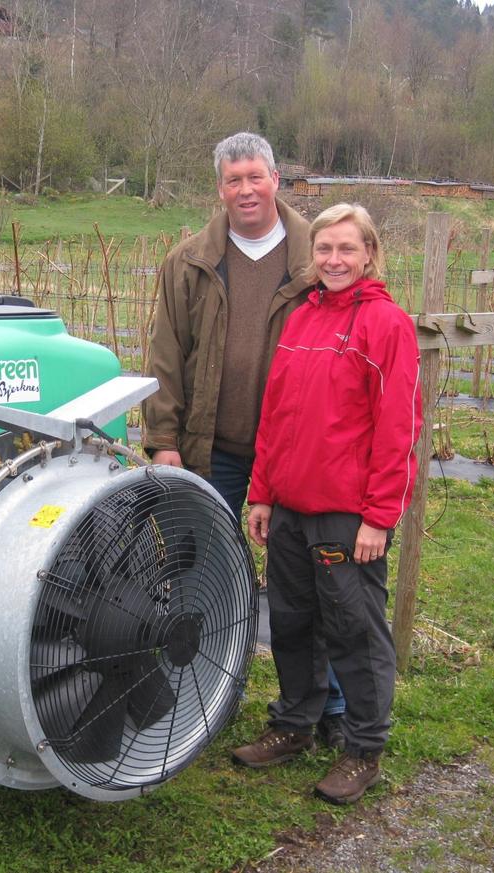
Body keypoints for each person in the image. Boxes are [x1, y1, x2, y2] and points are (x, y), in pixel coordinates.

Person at [142, 131, 346, 747]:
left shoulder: (319, 255)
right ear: (220, 188)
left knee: (312, 580)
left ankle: (330, 706)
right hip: (213, 451)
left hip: (296, 452)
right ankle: (202, 692)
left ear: (276, 180)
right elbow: (166, 355)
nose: (246, 190)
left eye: (256, 176)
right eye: (234, 180)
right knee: (201, 571)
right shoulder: (190, 260)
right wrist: (163, 439)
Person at [231, 203, 423, 806]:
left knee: (354, 631)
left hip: (345, 514)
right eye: (324, 249)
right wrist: (262, 494)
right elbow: (276, 416)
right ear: (312, 255)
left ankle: (363, 748)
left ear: (369, 253)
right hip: (288, 506)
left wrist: (378, 517)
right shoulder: (302, 319)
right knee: (290, 621)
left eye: (346, 249)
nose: (334, 260)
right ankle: (294, 723)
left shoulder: (386, 324)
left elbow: (398, 429)